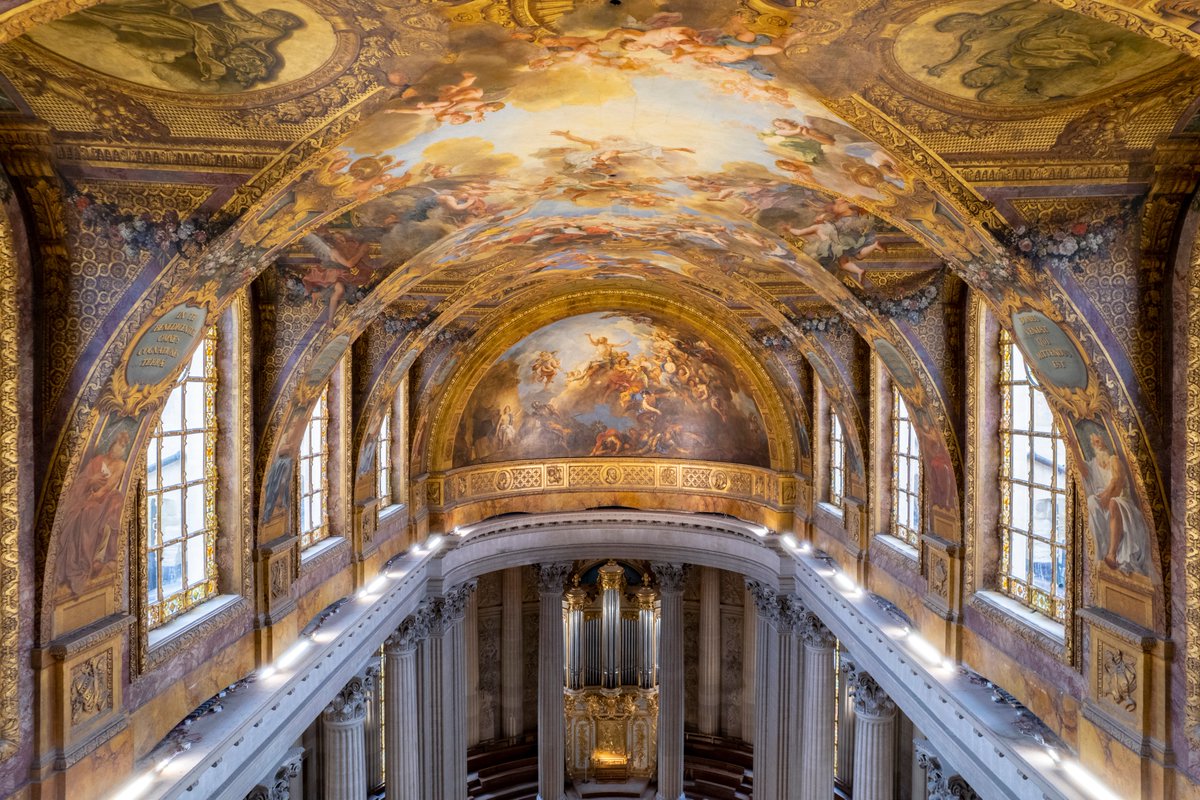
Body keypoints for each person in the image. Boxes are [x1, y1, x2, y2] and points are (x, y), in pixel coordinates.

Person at [1082, 430, 1149, 574]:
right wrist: (1100, 499)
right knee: (1092, 501)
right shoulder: (1096, 464)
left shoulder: (1114, 460)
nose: (1096, 445)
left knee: (1113, 503)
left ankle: (1112, 553)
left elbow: (1116, 485)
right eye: (1093, 443)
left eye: (1097, 441)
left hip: (1125, 503)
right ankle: (1100, 549)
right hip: (1113, 502)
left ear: (1105, 441)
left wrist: (1104, 498)